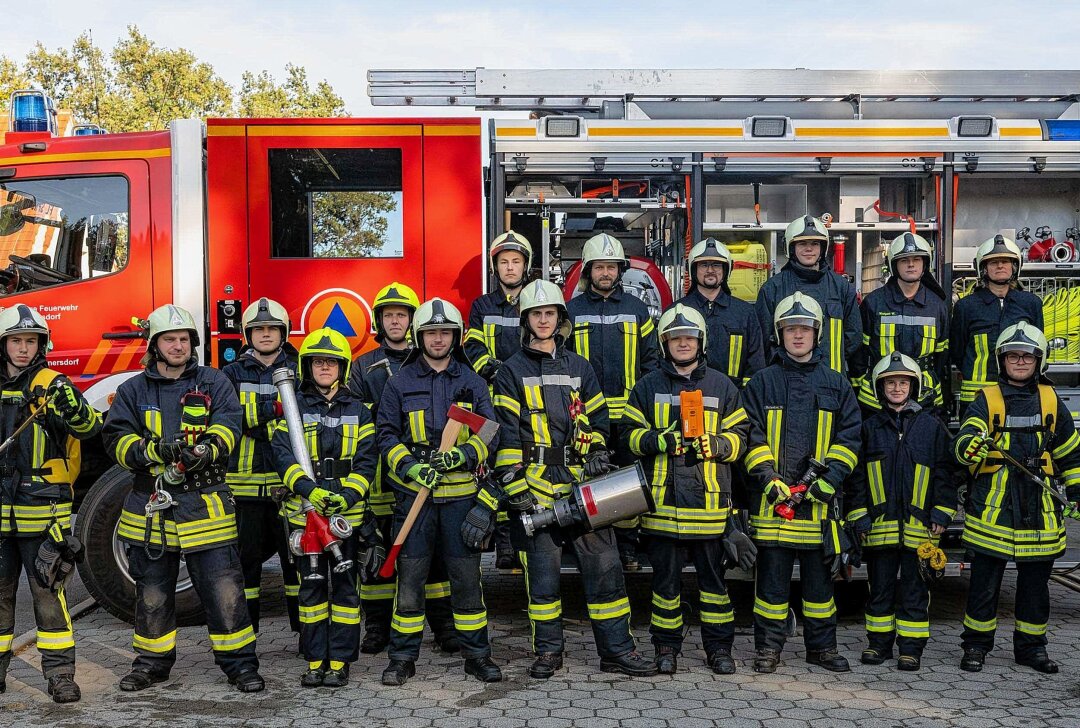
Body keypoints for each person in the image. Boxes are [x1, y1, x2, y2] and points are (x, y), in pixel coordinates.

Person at [492, 278, 657, 679]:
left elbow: (599, 419)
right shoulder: (510, 372)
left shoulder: (580, 367)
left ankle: (617, 650)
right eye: (536, 314)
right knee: (543, 585)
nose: (544, 320)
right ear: (525, 320)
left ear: (560, 318)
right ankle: (549, 653)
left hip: (583, 488)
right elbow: (507, 436)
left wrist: (598, 450)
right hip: (536, 490)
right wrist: (518, 492)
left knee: (606, 572)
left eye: (550, 313)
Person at [103, 304, 263, 692]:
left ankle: (240, 665)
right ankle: (151, 664)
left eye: (184, 339)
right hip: (150, 510)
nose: (178, 346)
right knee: (153, 594)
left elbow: (229, 424)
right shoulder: (132, 390)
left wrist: (208, 448)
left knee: (225, 590)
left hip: (204, 503)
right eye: (169, 339)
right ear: (154, 345)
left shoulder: (214, 382)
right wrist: (155, 451)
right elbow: (115, 440)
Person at [377, 298, 502, 686]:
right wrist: (410, 466)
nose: (437, 339)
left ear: (455, 336)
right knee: (410, 581)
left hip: (460, 500)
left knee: (466, 580)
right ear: (420, 337)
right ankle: (402, 658)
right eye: (431, 333)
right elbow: (385, 434)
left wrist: (461, 455)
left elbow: (490, 433)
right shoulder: (400, 382)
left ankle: (477, 656)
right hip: (415, 498)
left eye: (444, 332)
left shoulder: (472, 382)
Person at [622, 304, 750, 675]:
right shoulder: (647, 386)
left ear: (700, 342)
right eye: (675, 338)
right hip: (662, 508)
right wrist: (657, 441)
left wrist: (720, 445)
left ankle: (719, 650)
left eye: (688, 337)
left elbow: (741, 436)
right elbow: (628, 436)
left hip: (710, 510)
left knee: (714, 587)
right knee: (665, 588)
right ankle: (666, 648)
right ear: (664, 343)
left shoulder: (722, 386)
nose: (682, 343)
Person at [743, 292, 861, 674]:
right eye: (791, 329)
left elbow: (850, 438)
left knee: (820, 590)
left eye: (804, 329)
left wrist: (826, 485)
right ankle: (768, 649)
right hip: (773, 506)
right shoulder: (762, 382)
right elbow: (750, 435)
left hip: (819, 508)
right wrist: (769, 479)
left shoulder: (836, 384)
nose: (798, 336)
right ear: (780, 334)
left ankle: (822, 649)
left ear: (817, 334)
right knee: (771, 590)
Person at [953, 322, 1080, 674]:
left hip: (1038, 508)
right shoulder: (987, 398)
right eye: (1013, 356)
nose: (1020, 362)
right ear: (1001, 360)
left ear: (1040, 361)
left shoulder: (1052, 400)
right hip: (992, 508)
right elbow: (965, 438)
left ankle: (1031, 650)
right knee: (984, 585)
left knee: (1035, 588)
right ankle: (976, 647)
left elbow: (1071, 454)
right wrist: (971, 446)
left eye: (1027, 356)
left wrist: (1077, 492)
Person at [347, 282, 457, 656]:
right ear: (379, 320)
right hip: (381, 472)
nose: (395, 321)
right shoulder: (363, 366)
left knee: (433, 552)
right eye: (389, 315)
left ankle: (443, 626)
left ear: (413, 321)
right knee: (377, 547)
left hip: (424, 471)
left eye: (402, 315)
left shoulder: (426, 360)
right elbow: (357, 418)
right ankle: (377, 626)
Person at [0, 305, 101, 703]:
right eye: (16, 341)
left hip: (44, 518)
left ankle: (60, 676)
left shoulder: (53, 385)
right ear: (3, 344)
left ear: (41, 345)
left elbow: (91, 428)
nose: (24, 349)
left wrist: (71, 404)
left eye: (31, 341)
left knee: (49, 598)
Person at [271, 327, 381, 688]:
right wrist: (308, 490)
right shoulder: (292, 408)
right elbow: (283, 455)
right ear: (307, 367)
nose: (324, 368)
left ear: (342, 368)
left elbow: (367, 462)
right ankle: (315, 659)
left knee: (347, 593)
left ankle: (341, 662)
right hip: (306, 515)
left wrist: (347, 497)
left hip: (345, 517)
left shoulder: (360, 411)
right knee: (312, 590)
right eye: (318, 362)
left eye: (331, 362)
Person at [846, 352, 958, 671]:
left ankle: (911, 648)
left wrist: (941, 513)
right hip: (879, 527)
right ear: (880, 388)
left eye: (903, 382)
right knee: (879, 590)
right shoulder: (868, 428)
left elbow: (945, 473)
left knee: (914, 590)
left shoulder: (931, 427)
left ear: (914, 387)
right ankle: (878, 645)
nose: (897, 388)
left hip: (920, 528)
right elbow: (855, 478)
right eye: (891, 382)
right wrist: (859, 516)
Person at [566, 232, 658, 569]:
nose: (606, 273)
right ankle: (591, 549)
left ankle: (627, 549)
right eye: (599, 267)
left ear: (620, 271)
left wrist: (643, 406)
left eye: (612, 267)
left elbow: (651, 362)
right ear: (588, 271)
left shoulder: (637, 310)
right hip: (585, 419)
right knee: (587, 482)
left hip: (628, 419)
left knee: (628, 485)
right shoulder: (571, 311)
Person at [221, 297, 300, 635]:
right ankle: (246, 635)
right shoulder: (230, 373)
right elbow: (230, 419)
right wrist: (278, 410)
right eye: (258, 329)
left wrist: (256, 418)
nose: (265, 334)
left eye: (272, 328)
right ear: (247, 334)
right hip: (246, 489)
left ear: (283, 333)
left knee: (296, 564)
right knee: (246, 567)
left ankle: (305, 635)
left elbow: (306, 416)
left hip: (291, 488)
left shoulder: (301, 368)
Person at [464, 231, 533, 568]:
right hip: (492, 399)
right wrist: (495, 371)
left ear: (526, 266)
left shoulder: (535, 301)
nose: (509, 268)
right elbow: (472, 346)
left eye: (515, 262)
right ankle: (504, 543)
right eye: (504, 262)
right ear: (496, 268)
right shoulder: (482, 306)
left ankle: (519, 539)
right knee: (496, 467)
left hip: (528, 399)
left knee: (521, 465)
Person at [755, 216, 862, 379]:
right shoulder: (772, 289)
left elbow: (853, 336)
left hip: (831, 380)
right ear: (791, 248)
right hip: (785, 379)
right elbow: (763, 339)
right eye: (802, 243)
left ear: (823, 248)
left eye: (814, 244)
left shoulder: (841, 287)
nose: (809, 249)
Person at [858, 233, 950, 414]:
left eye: (917, 259)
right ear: (894, 265)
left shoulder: (937, 306)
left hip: (925, 397)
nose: (911, 264)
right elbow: (860, 353)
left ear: (925, 264)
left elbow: (943, 354)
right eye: (904, 260)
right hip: (879, 398)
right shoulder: (874, 303)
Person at [950, 235, 1043, 414]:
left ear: (1015, 267)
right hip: (976, 398)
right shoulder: (966, 306)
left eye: (1005, 262)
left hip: (1019, 394)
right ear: (983, 268)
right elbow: (957, 351)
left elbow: (1039, 349)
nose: (1000, 266)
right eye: (993, 262)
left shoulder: (1031, 304)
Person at [677, 238, 765, 386]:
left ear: (726, 269)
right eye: (704, 265)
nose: (710, 270)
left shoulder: (745, 313)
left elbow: (756, 366)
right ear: (693, 269)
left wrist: (742, 400)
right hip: (688, 399)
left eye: (716, 265)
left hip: (732, 402)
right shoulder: (677, 312)